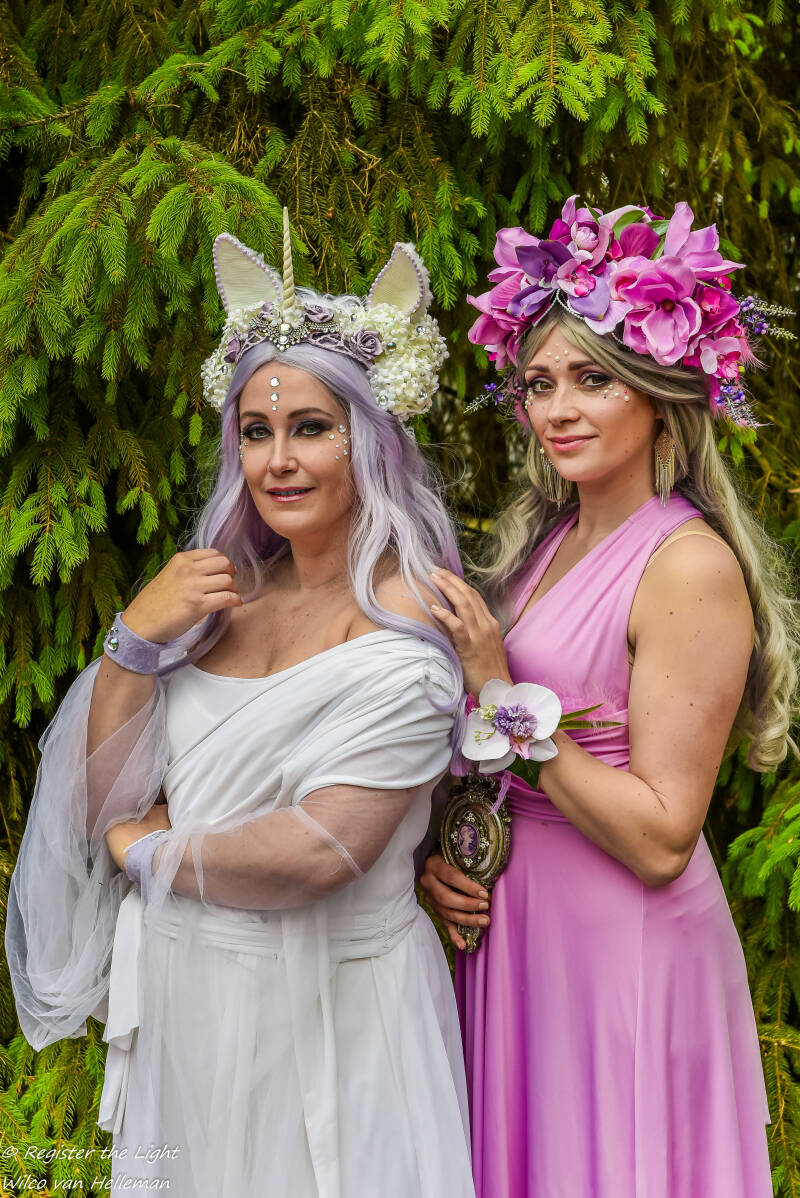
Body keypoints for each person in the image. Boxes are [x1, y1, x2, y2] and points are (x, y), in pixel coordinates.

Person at [6, 213, 475, 1197]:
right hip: (189, 1004)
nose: (277, 462)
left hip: (330, 1011)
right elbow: (100, 805)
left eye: (311, 428)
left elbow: (321, 851)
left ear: (371, 438)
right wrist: (134, 643)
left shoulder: (408, 631)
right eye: (256, 432)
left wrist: (149, 854)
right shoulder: (219, 604)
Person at [420, 196, 799, 1198]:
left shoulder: (685, 566)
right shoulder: (544, 543)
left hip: (620, 944)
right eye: (539, 383)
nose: (557, 409)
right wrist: (444, 861)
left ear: (660, 393)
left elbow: (663, 835)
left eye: (592, 379)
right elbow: (498, 767)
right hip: (520, 934)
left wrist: (499, 693)